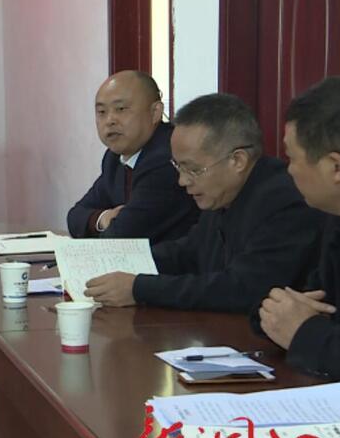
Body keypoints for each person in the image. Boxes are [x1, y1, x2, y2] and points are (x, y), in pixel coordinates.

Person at [85, 93, 324, 313]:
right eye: (178, 167)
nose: (182, 181)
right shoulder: (222, 194)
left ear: (237, 160)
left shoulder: (285, 202)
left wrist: (139, 288)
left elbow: (243, 288)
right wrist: (116, 262)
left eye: (193, 169)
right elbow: (188, 253)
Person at [256, 76, 340, 380]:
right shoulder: (337, 219)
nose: (289, 170)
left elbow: (308, 327)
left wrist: (304, 332)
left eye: (291, 158)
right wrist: (277, 313)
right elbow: (313, 301)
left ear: (335, 167)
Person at [67, 71, 199, 243]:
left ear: (155, 112)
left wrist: (106, 224)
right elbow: (75, 216)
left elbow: (123, 236)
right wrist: (104, 218)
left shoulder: (167, 157)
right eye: (101, 112)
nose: (110, 120)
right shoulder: (114, 159)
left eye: (121, 109)